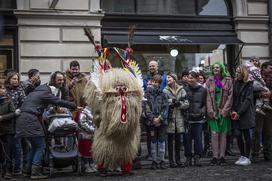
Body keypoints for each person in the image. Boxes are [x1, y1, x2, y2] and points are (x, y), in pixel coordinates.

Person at [15, 74, 78, 179]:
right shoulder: (47, 92)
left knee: (34, 146)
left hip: (22, 119)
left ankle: (27, 170)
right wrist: (74, 106)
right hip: (31, 119)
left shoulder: (36, 92)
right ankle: (35, 172)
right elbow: (58, 101)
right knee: (40, 146)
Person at [206, 62, 233, 166]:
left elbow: (230, 97)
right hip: (213, 110)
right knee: (214, 134)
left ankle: (222, 157)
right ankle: (214, 157)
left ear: (221, 68)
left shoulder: (228, 80)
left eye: (217, 67)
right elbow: (208, 97)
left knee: (223, 134)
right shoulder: (210, 80)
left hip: (223, 110)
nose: (215, 69)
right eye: (214, 68)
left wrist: (225, 110)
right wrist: (211, 111)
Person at [143, 74, 169, 169]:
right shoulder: (147, 94)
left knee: (162, 140)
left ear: (160, 84)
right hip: (151, 122)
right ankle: (154, 160)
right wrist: (152, 118)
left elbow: (166, 107)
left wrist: (160, 118)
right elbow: (145, 108)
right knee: (153, 141)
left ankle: (161, 160)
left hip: (161, 122)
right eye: (153, 81)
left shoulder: (164, 94)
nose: (155, 84)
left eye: (157, 82)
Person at [231, 65, 255, 166]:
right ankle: (242, 155)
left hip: (245, 113)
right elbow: (232, 96)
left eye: (239, 72)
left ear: (243, 73)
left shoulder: (249, 83)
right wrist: (233, 110)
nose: (237, 74)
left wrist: (239, 113)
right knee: (238, 135)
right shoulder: (235, 82)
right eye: (236, 72)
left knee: (246, 135)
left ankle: (247, 157)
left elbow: (247, 100)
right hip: (236, 112)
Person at [164, 73, 189, 168]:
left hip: (179, 117)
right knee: (170, 140)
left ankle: (178, 160)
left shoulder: (182, 90)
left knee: (178, 140)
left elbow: (187, 103)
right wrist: (171, 102)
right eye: (167, 78)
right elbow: (164, 102)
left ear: (174, 79)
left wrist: (179, 104)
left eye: (169, 77)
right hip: (170, 118)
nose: (168, 79)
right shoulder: (165, 91)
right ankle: (171, 161)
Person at [4, 71, 27, 175]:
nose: (16, 81)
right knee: (7, 145)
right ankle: (6, 167)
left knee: (17, 144)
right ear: (9, 79)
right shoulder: (4, 89)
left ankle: (17, 168)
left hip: (17, 119)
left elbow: (24, 103)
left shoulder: (20, 89)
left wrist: (18, 111)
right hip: (5, 120)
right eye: (14, 79)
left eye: (17, 79)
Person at [184, 71, 207, 167]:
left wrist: (202, 111)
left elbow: (206, 103)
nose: (190, 79)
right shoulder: (185, 89)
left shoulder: (203, 90)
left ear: (197, 78)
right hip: (188, 118)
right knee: (187, 139)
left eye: (192, 78)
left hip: (199, 119)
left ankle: (197, 157)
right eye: (189, 78)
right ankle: (188, 157)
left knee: (198, 139)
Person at [252, 61, 272, 162]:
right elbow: (250, 93)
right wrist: (260, 95)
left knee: (268, 132)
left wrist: (270, 94)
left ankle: (267, 154)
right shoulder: (256, 78)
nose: (271, 70)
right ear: (263, 68)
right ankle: (255, 154)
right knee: (257, 132)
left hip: (269, 109)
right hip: (257, 108)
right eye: (270, 68)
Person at [0, 80, 20, 179]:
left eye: (3, 88)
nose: (2, 90)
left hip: (8, 130)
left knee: (8, 152)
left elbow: (13, 113)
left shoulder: (8, 101)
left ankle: (8, 170)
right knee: (1, 153)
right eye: (1, 88)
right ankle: (2, 169)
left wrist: (2, 118)